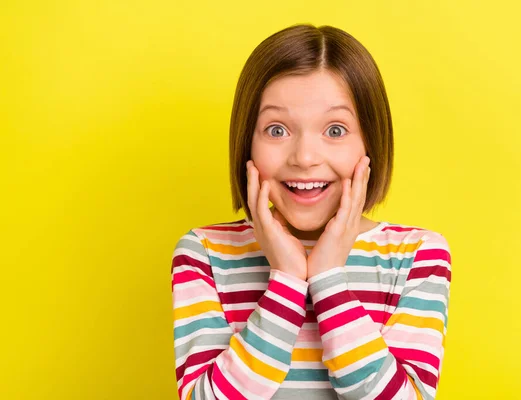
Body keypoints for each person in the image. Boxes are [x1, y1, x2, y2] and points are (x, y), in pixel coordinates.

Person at [171, 23, 452, 400]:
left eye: (335, 131)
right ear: (246, 141)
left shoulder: (418, 256)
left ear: (370, 140)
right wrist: (286, 279)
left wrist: (329, 279)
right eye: (276, 130)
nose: (304, 158)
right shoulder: (204, 253)